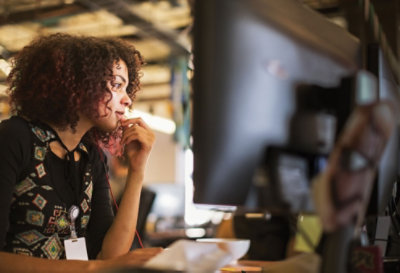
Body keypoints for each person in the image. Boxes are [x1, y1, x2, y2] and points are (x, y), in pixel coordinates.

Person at [0, 33, 163, 272]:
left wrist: (137, 169)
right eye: (117, 85)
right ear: (78, 85)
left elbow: (110, 256)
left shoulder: (91, 156)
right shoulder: (14, 137)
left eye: (127, 88)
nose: (127, 99)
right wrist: (90, 268)